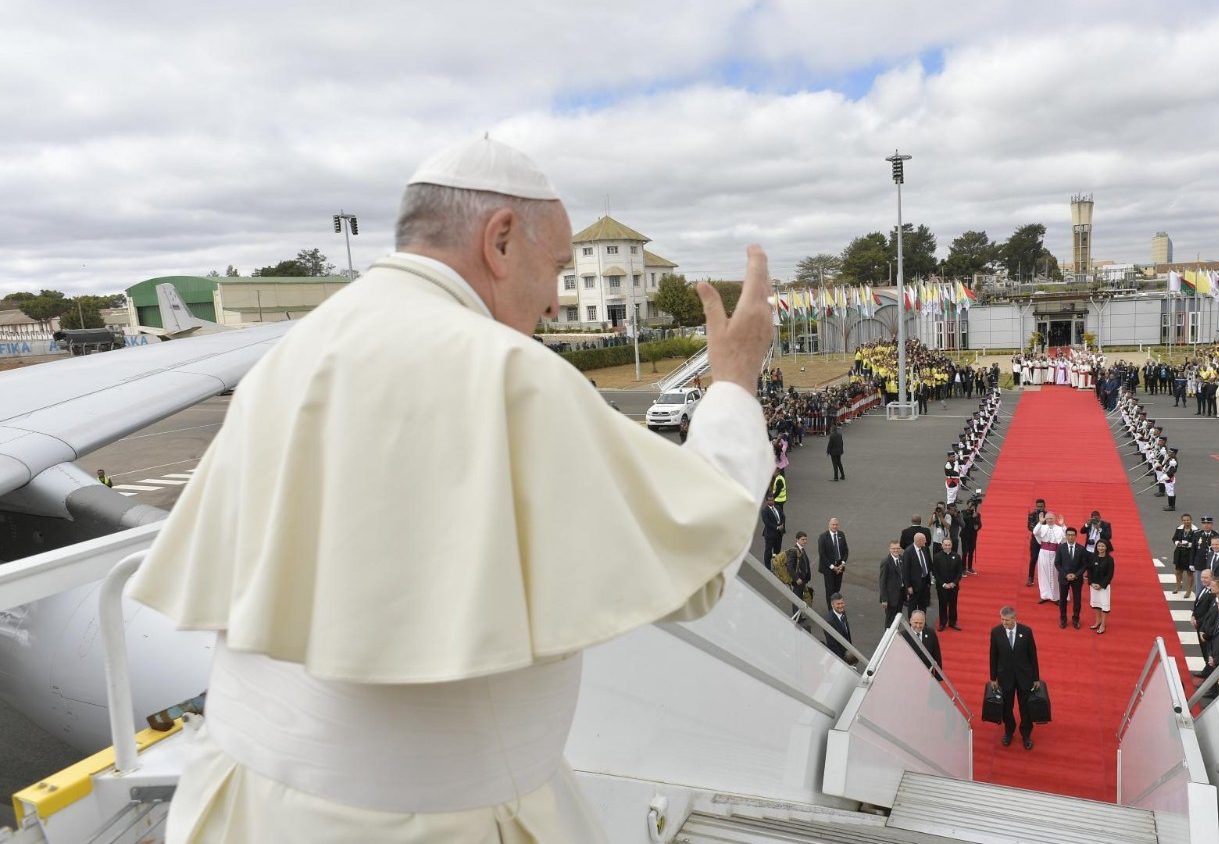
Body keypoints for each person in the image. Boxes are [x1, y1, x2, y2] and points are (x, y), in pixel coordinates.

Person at [125, 137, 775, 841]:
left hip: (241, 805)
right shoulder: (509, 372)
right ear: (500, 241)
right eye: (557, 267)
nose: (558, 302)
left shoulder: (293, 351)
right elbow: (700, 569)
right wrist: (735, 381)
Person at [988, 606, 1041, 750]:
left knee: (1025, 708)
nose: (1004, 622)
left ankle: (1026, 734)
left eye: (1007, 620)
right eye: (1002, 619)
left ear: (1014, 619)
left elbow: (1033, 656)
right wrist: (993, 678)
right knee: (1006, 707)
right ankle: (1009, 731)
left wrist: (1036, 678)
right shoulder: (996, 632)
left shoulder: (1026, 631)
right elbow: (993, 656)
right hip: (1005, 678)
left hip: (1024, 677)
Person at [1054, 527, 1089, 629]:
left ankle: (1076, 619)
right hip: (1064, 578)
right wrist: (1066, 575)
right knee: (1063, 600)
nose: (1070, 537)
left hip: (1077, 579)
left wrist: (1076, 575)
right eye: (1068, 535)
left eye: (1072, 535)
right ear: (1066, 536)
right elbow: (1057, 563)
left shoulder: (1081, 549)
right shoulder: (1061, 547)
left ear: (1075, 536)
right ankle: (1063, 619)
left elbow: (1084, 565)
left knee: (1077, 600)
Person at [1031, 511, 1065, 604]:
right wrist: (1040, 522)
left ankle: (1056, 597)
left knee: (1055, 574)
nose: (1049, 520)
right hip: (1043, 553)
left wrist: (1063, 525)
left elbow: (1065, 537)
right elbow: (1035, 532)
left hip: (1055, 553)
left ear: (1055, 519)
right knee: (1043, 574)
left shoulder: (1059, 528)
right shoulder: (1042, 527)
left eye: (1051, 518)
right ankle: (1044, 595)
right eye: (1048, 518)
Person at [817, 517, 850, 609]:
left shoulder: (841, 534)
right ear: (829, 525)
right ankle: (831, 610)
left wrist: (842, 563)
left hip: (840, 567)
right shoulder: (823, 537)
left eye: (836, 524)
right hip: (828, 568)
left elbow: (846, 550)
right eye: (833, 524)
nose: (835, 526)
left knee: (837, 589)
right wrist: (832, 567)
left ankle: (836, 605)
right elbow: (822, 554)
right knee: (830, 590)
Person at [933, 537, 963, 631]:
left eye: (949, 545)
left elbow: (959, 572)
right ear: (942, 545)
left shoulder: (957, 556)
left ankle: (953, 622)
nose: (947, 546)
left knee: (953, 605)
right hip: (942, 587)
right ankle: (942, 623)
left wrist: (953, 583)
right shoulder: (937, 557)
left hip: (953, 587)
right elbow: (935, 573)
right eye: (945, 545)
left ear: (951, 545)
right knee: (942, 605)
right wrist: (943, 584)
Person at [1087, 538, 1115, 634]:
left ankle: (1103, 624)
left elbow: (1110, 574)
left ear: (1106, 547)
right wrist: (1091, 583)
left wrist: (1101, 585)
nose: (1101, 548)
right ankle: (1098, 621)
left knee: (1104, 606)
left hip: (1103, 587)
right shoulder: (1092, 557)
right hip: (1093, 586)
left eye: (1103, 546)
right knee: (1096, 604)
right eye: (1099, 546)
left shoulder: (1110, 559)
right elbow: (1089, 571)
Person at [903, 532, 934, 616]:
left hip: (924, 582)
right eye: (924, 540)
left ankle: (922, 621)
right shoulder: (908, 552)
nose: (926, 542)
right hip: (914, 584)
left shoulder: (925, 549)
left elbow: (928, 563)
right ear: (919, 541)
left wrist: (929, 581)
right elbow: (905, 571)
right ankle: (912, 623)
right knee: (912, 605)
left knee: (923, 604)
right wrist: (908, 586)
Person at [879, 541, 907, 627]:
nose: (896, 550)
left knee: (897, 618)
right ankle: (889, 639)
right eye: (893, 548)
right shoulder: (886, 562)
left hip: (900, 595)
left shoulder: (902, 559)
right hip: (890, 598)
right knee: (890, 620)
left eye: (898, 548)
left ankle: (896, 636)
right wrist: (884, 599)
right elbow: (882, 582)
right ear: (890, 549)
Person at [825, 593, 856, 665]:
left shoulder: (842, 612)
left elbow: (846, 633)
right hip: (839, 658)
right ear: (832, 605)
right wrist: (842, 662)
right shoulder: (829, 621)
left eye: (842, 603)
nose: (841, 606)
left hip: (847, 653)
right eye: (838, 604)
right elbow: (832, 644)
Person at [1171, 513, 1197, 595]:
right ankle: (1178, 586)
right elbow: (1174, 538)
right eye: (1184, 520)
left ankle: (1189, 590)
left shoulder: (1196, 530)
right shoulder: (1179, 528)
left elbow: (1197, 542)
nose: (1186, 522)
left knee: (1189, 573)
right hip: (1179, 552)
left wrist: (1188, 544)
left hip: (1190, 553)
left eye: (1188, 520)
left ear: (1191, 520)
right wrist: (1177, 542)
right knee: (1178, 571)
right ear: (1182, 521)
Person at [785, 530, 812, 608]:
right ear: (797, 539)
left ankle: (799, 616)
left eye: (805, 539)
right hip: (798, 580)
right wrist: (796, 578)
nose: (805, 541)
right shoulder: (794, 550)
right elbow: (789, 566)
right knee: (797, 598)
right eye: (802, 539)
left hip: (802, 579)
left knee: (800, 598)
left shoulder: (801, 549)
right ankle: (797, 618)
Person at [1025, 498, 1046, 587]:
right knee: (1033, 558)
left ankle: (1045, 579)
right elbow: (1030, 527)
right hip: (1035, 539)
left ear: (1044, 506)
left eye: (1041, 506)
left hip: (1046, 540)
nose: (1039, 508)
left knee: (1045, 560)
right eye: (1038, 506)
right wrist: (1039, 527)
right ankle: (1030, 577)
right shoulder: (1032, 515)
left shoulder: (1048, 515)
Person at [761, 494, 785, 570]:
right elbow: (767, 522)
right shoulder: (765, 511)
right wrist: (777, 527)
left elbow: (783, 517)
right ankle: (767, 567)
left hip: (779, 534)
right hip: (770, 534)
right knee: (768, 551)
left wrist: (782, 525)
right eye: (769, 500)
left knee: (777, 550)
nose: (771, 501)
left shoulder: (777, 507)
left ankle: (775, 565)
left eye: (772, 500)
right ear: (766, 501)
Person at [960, 501, 982, 575]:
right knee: (965, 552)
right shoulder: (963, 512)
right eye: (970, 505)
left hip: (973, 535)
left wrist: (977, 526)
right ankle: (963, 568)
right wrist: (971, 517)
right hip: (965, 535)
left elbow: (979, 524)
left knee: (971, 552)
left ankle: (969, 567)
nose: (972, 507)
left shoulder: (977, 515)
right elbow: (964, 520)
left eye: (973, 506)